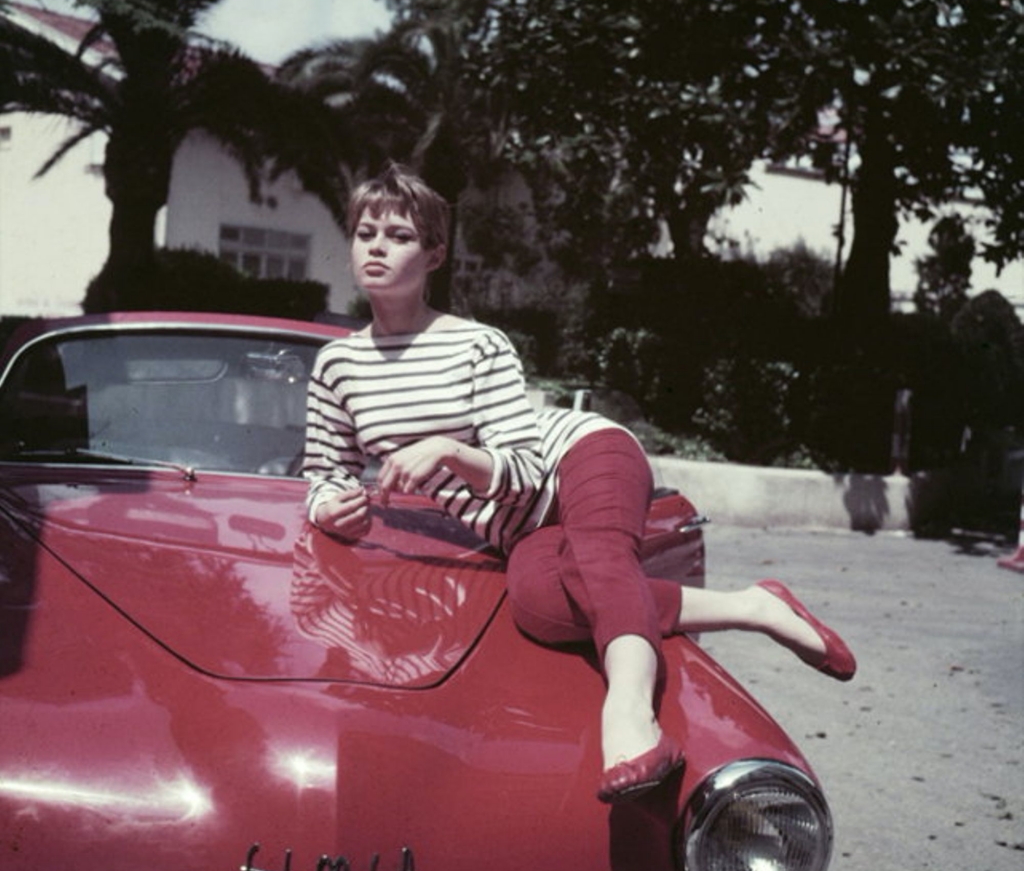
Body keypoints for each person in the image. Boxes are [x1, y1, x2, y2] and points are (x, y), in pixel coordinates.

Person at [302, 164, 856, 805]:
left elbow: (527, 470)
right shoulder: (339, 364)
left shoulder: (480, 345)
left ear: (434, 254)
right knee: (537, 607)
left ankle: (630, 719)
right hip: (521, 527)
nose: (375, 246)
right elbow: (322, 472)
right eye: (365, 232)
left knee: (598, 557)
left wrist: (447, 450)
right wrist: (330, 508)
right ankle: (756, 606)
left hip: (579, 455)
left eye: (397, 235)